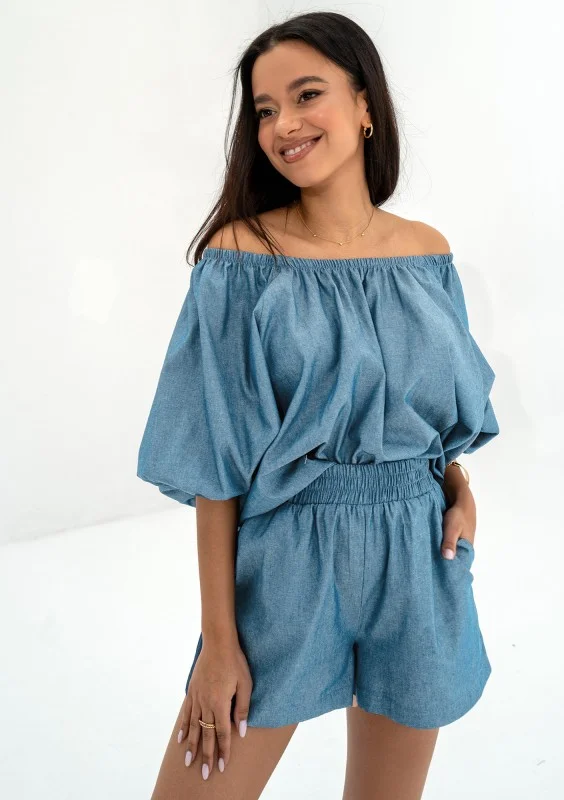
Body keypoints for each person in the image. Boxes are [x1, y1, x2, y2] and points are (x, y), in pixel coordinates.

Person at [136, 10, 500, 799]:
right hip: (290, 562)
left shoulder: (428, 253)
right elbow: (216, 464)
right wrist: (219, 646)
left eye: (307, 95)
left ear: (365, 104)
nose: (283, 126)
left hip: (418, 557)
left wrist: (458, 488)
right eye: (265, 109)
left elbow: (436, 416)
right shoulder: (239, 259)